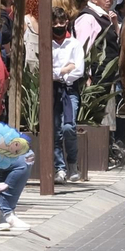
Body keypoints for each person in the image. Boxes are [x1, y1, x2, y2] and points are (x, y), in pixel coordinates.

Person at [52, 10, 84, 182]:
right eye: (54, 22)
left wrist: (58, 73)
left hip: (70, 90)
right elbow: (44, 69)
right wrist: (64, 69)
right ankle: (59, 168)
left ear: (66, 21)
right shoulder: (47, 44)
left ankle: (72, 163)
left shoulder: (74, 44)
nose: (58, 26)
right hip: (52, 91)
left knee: (68, 127)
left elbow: (78, 69)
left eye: (61, 22)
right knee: (55, 131)